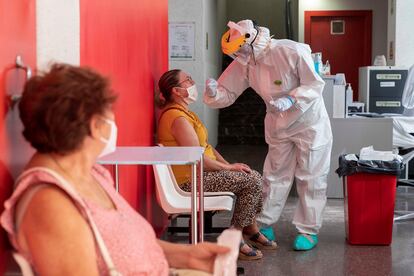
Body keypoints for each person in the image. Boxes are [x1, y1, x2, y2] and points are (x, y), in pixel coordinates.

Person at [0, 64, 230, 275]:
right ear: (94, 125)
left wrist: (188, 256)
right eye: (109, 111)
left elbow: (121, 241)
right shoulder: (51, 204)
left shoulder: (90, 173)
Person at [203, 19, 333, 251]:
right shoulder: (246, 61)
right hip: (278, 123)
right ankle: (264, 223)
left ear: (251, 40)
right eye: (236, 52)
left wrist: (292, 98)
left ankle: (308, 230)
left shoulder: (290, 50)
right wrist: (215, 92)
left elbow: (315, 84)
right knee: (274, 175)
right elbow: (228, 91)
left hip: (309, 123)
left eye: (241, 50)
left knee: (310, 176)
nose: (239, 55)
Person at [157, 69, 277, 261]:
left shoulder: (185, 114)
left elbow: (206, 147)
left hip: (200, 175)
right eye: (188, 80)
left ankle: (248, 228)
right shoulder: (177, 118)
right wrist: (230, 169)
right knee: (252, 180)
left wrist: (230, 165)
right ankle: (236, 235)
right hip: (190, 182)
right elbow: (197, 157)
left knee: (249, 175)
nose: (193, 82)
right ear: (176, 91)